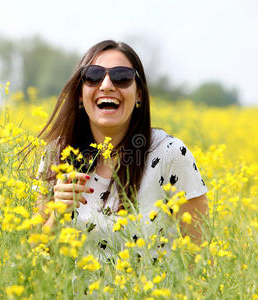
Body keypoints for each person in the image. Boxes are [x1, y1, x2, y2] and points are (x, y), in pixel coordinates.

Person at [34, 40, 208, 249]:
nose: (106, 85)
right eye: (93, 76)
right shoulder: (57, 154)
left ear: (139, 95)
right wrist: (57, 213)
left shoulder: (170, 155)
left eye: (122, 77)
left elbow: (201, 258)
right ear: (80, 94)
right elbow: (36, 257)